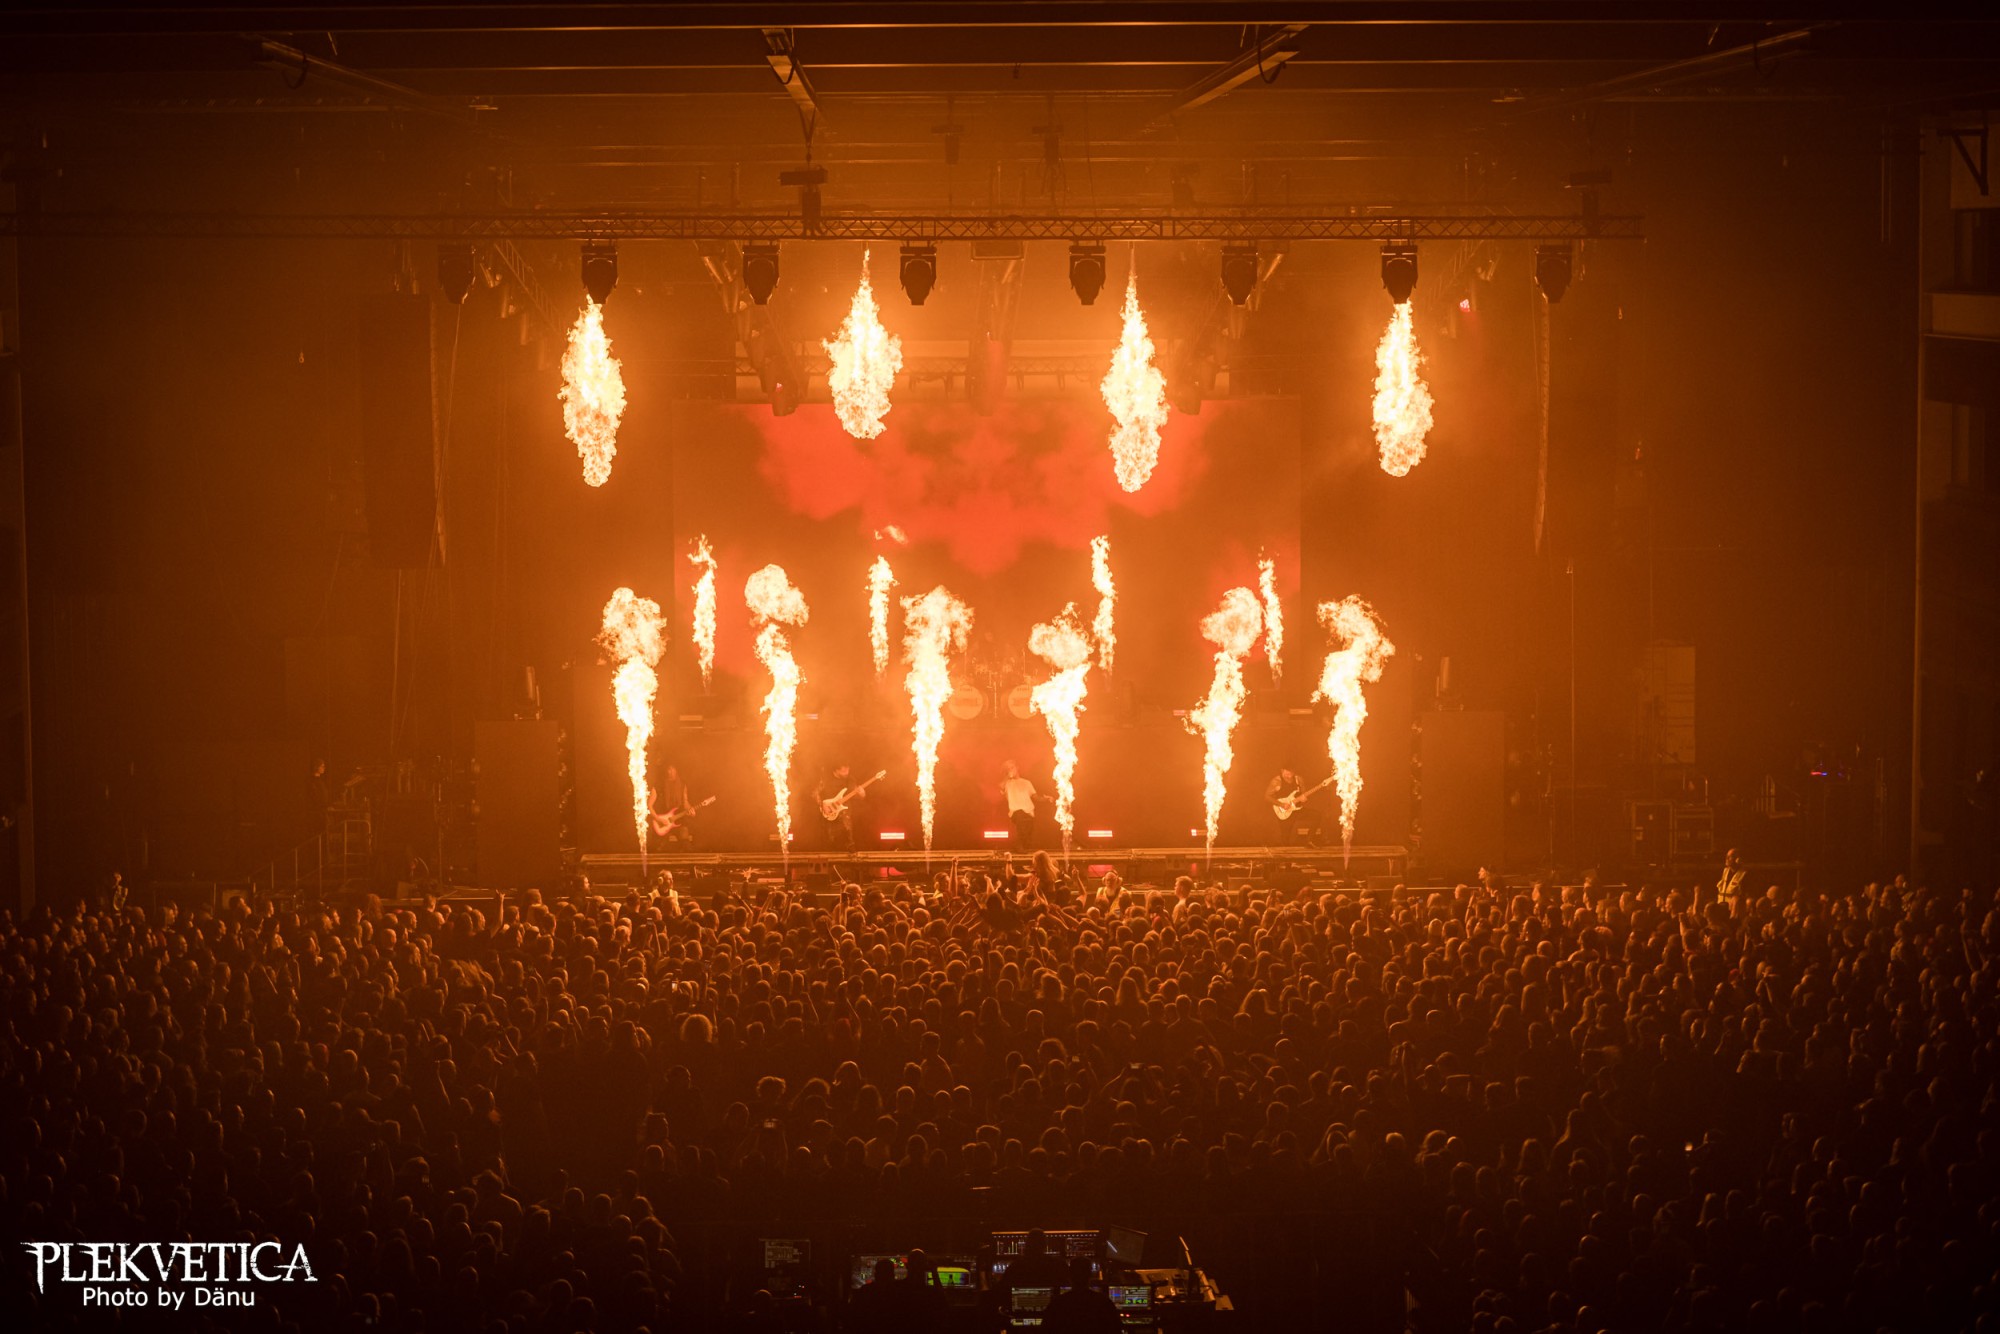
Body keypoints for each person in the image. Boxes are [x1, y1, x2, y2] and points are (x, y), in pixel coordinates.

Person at [1043, 1257, 1119, 1334]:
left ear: (1070, 1276)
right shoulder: (1105, 1303)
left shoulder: (1056, 1304)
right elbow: (1116, 1329)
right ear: (1090, 1275)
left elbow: (1045, 1329)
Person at [816, 763, 862, 853]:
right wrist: (822, 805)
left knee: (848, 833)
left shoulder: (851, 779)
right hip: (829, 813)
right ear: (836, 770)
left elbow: (858, 796)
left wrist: (862, 793)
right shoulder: (825, 779)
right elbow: (815, 793)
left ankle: (850, 850)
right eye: (844, 770)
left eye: (848, 769)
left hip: (845, 814)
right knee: (830, 840)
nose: (847, 772)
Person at [650, 764, 695, 846]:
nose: (669, 772)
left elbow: (685, 802)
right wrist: (658, 819)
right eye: (668, 769)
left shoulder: (682, 784)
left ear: (676, 770)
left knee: (685, 843)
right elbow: (649, 806)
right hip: (662, 822)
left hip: (678, 820)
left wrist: (691, 809)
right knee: (661, 846)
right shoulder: (658, 785)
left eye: (672, 769)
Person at [1001, 760, 1040, 851]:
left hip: (1029, 811)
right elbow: (1001, 787)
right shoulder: (1007, 783)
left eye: (1012, 767)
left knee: (1027, 834)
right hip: (1016, 812)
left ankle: (1022, 847)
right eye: (1008, 769)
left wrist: (1046, 799)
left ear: (1017, 768)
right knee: (1020, 820)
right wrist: (1008, 776)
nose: (1011, 770)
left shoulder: (1026, 782)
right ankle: (1018, 846)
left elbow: (1035, 797)